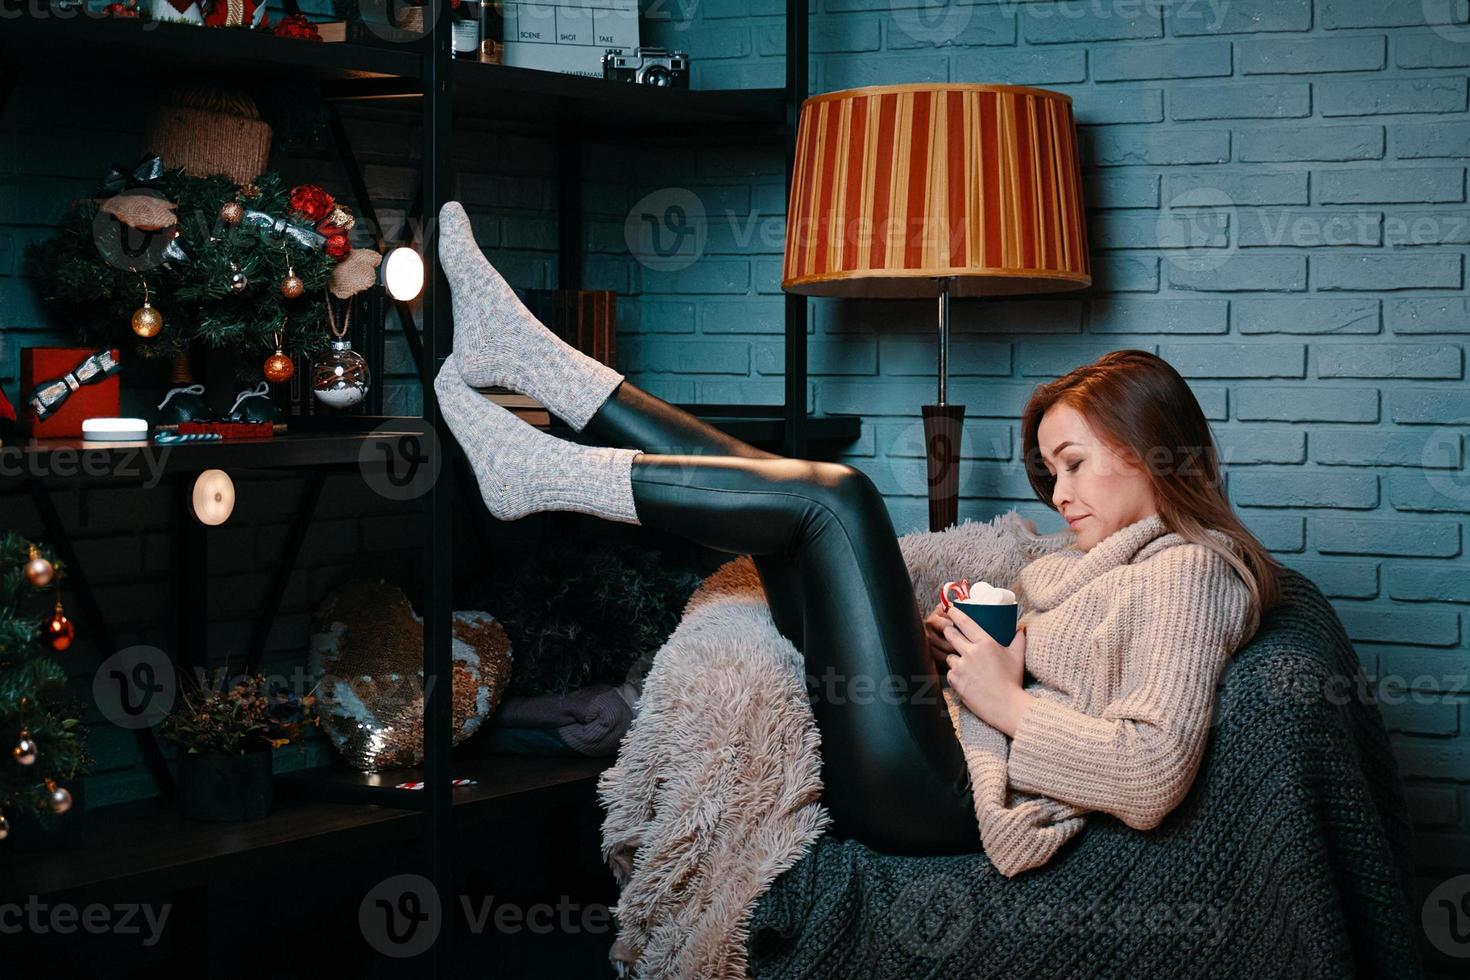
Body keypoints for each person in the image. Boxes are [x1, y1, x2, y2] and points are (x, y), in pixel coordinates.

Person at [431, 201, 1286, 860]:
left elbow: (1149, 775)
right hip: (928, 743)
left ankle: (542, 463)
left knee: (836, 499)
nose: (1058, 492)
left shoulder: (1190, 574)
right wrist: (948, 644)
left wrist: (1003, 697)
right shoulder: (1095, 564)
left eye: (1073, 463)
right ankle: (538, 367)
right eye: (1051, 469)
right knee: (784, 502)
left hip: (945, 799)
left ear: (1149, 454)